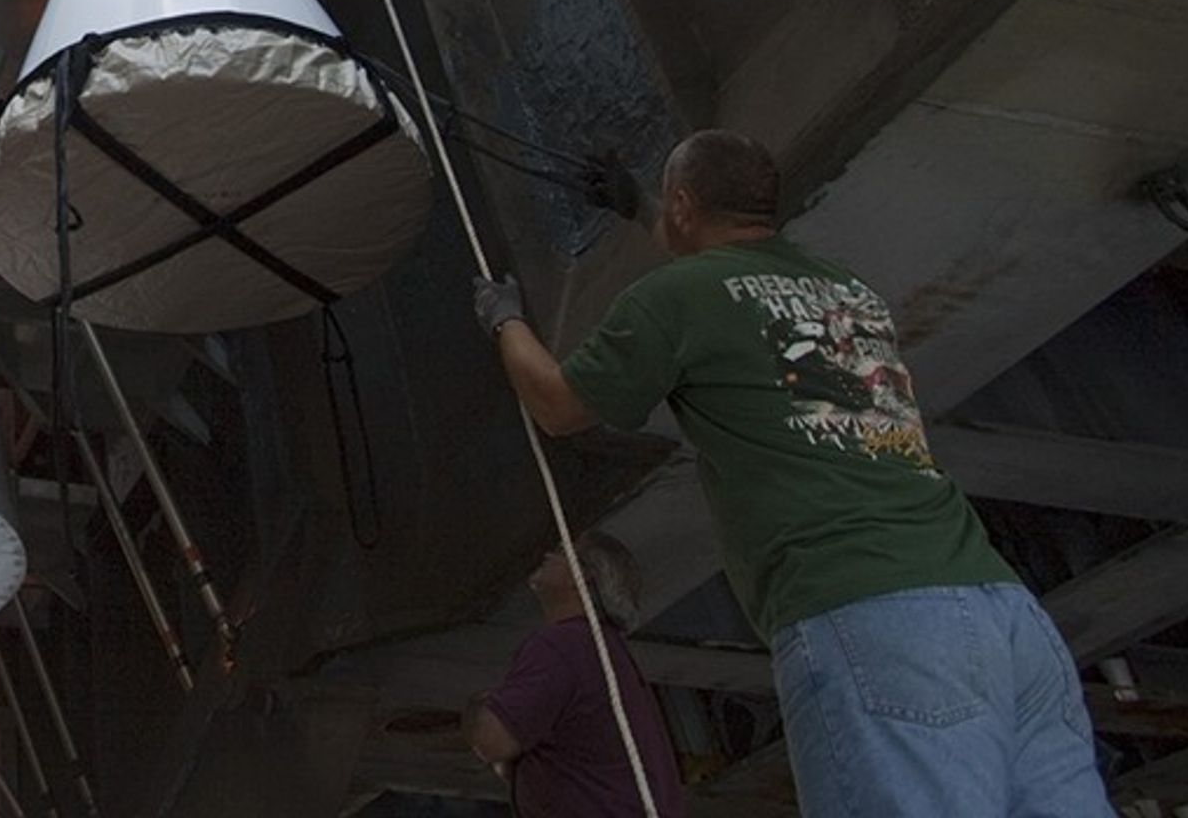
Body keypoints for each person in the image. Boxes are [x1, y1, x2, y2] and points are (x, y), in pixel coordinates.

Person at [473, 129, 1108, 817]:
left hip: (869, 617)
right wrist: (636, 206)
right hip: (1004, 618)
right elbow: (730, 281)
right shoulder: (846, 291)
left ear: (683, 203)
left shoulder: (676, 296)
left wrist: (506, 320)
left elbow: (559, 406)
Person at [470, 532, 686, 815]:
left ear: (583, 576)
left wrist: (475, 709)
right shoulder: (605, 653)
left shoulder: (565, 645)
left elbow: (492, 740)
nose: (547, 555)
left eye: (560, 551)